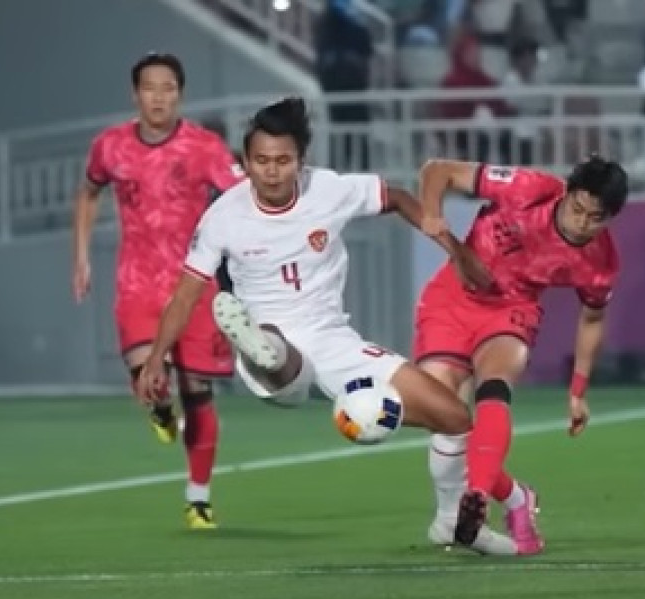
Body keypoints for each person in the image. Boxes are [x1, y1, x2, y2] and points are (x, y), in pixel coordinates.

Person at [136, 97, 517, 556]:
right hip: (274, 341)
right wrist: (156, 358)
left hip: (335, 342)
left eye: (282, 161)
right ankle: (258, 346)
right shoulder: (223, 217)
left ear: (301, 161)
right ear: (245, 161)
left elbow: (396, 197)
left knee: (455, 417)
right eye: (260, 161)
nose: (271, 171)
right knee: (277, 355)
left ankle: (449, 520)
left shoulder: (328, 189)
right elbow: (184, 295)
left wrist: (454, 250)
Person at [414, 156, 629, 554]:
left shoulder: (601, 263)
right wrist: (432, 217)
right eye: (576, 209)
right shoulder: (527, 189)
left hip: (512, 311)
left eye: (594, 218)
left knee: (495, 385)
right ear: (565, 194)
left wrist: (578, 389)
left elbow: (593, 318)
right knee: (446, 419)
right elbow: (437, 170)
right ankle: (515, 498)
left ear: (611, 218)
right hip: (451, 299)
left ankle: (474, 499)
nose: (580, 223)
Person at [72, 52, 244, 530]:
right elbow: (88, 192)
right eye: (150, 88)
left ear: (179, 95)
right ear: (136, 94)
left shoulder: (204, 148)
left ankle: (199, 498)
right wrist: (82, 257)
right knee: (148, 377)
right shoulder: (110, 147)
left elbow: (240, 198)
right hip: (138, 284)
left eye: (169, 88)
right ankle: (159, 408)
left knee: (199, 391)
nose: (159, 97)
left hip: (195, 285)